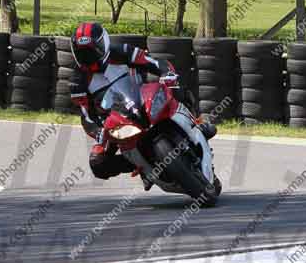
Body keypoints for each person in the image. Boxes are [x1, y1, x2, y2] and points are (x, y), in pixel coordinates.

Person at [69, 22, 215, 181]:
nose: (89, 57)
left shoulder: (122, 52)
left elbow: (155, 63)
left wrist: (167, 74)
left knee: (176, 87)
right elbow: (86, 115)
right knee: (98, 164)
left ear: (103, 45)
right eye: (83, 53)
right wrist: (98, 131)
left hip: (142, 98)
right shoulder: (78, 81)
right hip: (116, 120)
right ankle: (139, 164)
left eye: (93, 51)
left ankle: (197, 122)